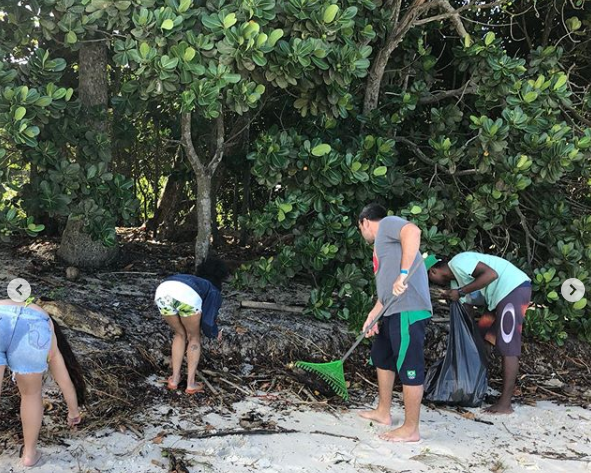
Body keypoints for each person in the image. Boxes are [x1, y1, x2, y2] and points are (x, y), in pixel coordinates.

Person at [357, 203, 432, 443]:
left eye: (360, 228)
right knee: (382, 357)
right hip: (391, 309)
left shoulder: (387, 224)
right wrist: (373, 315)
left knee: (409, 365)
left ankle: (411, 428)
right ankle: (383, 412)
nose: (362, 234)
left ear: (365, 222)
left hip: (408, 308)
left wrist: (403, 273)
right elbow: (386, 292)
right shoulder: (384, 245)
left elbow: (413, 231)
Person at [426, 252, 532, 414]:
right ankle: (477, 386)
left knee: (508, 345)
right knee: (480, 337)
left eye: (429, 278)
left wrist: (461, 292)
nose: (431, 283)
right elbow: (466, 311)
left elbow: (491, 274)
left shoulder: (459, 262)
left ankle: (505, 404)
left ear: (433, 271)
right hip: (497, 300)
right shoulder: (455, 283)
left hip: (514, 289)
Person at [0, 298, 85, 468]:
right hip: (33, 326)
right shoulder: (45, 322)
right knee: (31, 394)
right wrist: (74, 413)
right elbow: (64, 381)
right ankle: (29, 455)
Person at [154, 256, 229, 395]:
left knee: (179, 334)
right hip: (187, 296)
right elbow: (208, 321)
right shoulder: (213, 289)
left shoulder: (192, 279)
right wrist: (214, 333)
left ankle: (174, 380)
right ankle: (191, 384)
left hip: (162, 291)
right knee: (194, 337)